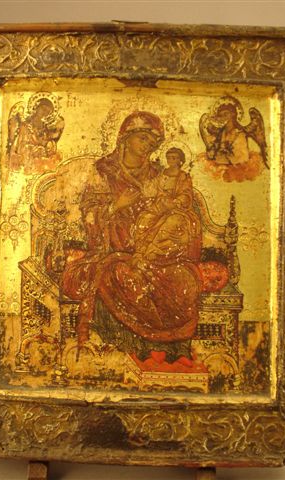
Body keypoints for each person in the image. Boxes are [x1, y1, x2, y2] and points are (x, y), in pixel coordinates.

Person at [61, 112, 202, 363]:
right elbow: (89, 215)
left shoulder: (160, 174)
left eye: (153, 142)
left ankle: (172, 351)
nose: (148, 145)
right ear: (125, 138)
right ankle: (130, 349)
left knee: (183, 278)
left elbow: (175, 208)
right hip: (114, 250)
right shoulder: (104, 171)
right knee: (123, 275)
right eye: (143, 138)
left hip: (153, 249)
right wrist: (117, 205)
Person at [7, 97, 64, 175]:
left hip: (40, 161)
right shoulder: (24, 126)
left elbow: (47, 145)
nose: (44, 113)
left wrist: (49, 145)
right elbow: (19, 147)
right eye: (43, 109)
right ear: (36, 108)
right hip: (27, 160)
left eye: (48, 112)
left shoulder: (45, 130)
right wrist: (35, 149)